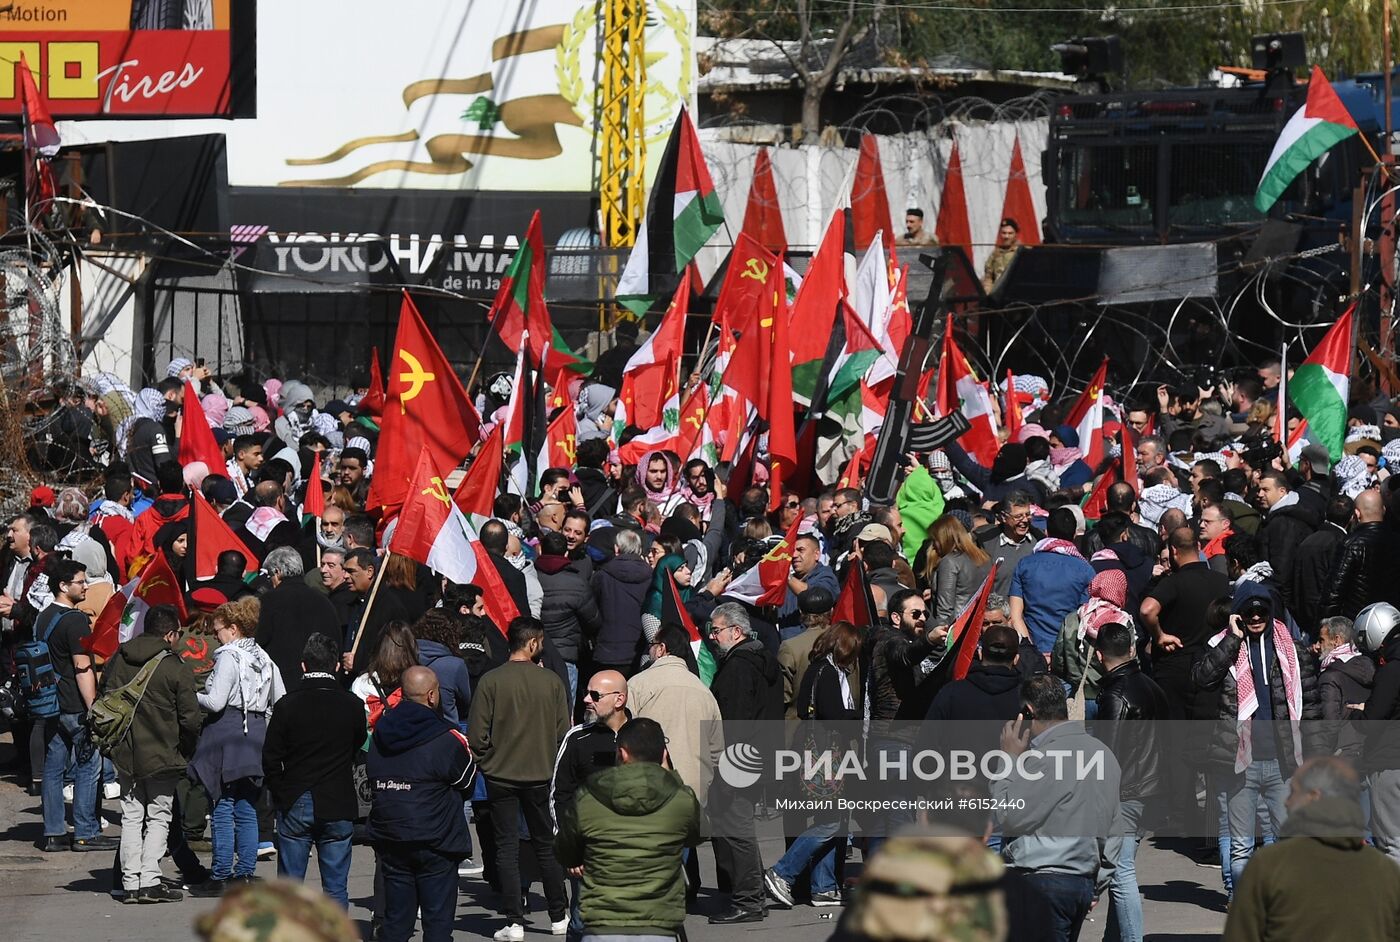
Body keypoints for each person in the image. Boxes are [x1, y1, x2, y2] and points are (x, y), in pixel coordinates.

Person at [1192, 582, 1321, 891]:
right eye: (1248, 611)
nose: (1255, 617)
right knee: (1240, 848)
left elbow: (1312, 708)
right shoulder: (1222, 644)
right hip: (1239, 762)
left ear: (1270, 610)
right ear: (1238, 614)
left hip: (1283, 762)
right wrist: (1233, 640)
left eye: (1261, 610)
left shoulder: (1292, 648)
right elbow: (1202, 678)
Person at [995, 675, 1123, 942]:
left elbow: (1009, 814)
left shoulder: (1041, 760)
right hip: (1079, 882)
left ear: (1028, 712)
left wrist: (1008, 760)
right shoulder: (1103, 755)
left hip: (1041, 879)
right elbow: (1114, 830)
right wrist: (1096, 884)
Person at [466, 617, 571, 941]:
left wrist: (488, 762)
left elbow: (475, 736)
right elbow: (561, 733)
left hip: (501, 776)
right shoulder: (551, 682)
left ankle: (514, 920)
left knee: (506, 848)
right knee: (545, 844)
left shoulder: (491, 681)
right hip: (540, 775)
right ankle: (558, 914)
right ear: (532, 643)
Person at [1223, 756, 1400, 941]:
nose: (1287, 802)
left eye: (1294, 792)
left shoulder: (1270, 866)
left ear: (1314, 796)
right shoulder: (1383, 870)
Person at [554, 717, 701, 939]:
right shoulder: (681, 799)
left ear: (622, 754)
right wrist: (670, 777)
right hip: (659, 924)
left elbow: (565, 851)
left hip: (603, 923)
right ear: (663, 756)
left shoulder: (589, 799)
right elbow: (696, 835)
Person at [366, 666, 477, 942]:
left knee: (396, 923)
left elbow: (372, 774)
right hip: (435, 841)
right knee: (437, 925)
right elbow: (467, 782)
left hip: (392, 836)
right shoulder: (446, 738)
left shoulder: (380, 734)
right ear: (431, 696)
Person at [102, 603, 203, 901]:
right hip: (163, 752)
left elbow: (103, 695)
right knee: (159, 815)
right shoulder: (174, 666)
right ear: (170, 634)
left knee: (132, 816)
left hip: (124, 751)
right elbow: (190, 717)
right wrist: (186, 749)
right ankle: (149, 880)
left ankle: (130, 883)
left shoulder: (118, 657)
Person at [189, 597, 286, 896]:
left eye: (217, 629)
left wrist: (190, 696)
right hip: (256, 732)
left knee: (222, 804)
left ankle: (220, 874)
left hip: (229, 730)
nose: (214, 635)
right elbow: (280, 698)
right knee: (246, 805)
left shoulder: (230, 656)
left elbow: (216, 701)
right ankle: (244, 873)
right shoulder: (264, 656)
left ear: (232, 629)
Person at [261, 632, 366, 907]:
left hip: (296, 795)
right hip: (338, 798)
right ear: (335, 666)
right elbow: (356, 746)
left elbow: (271, 757)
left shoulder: (287, 705)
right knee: (335, 888)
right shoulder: (353, 706)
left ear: (303, 666)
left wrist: (281, 791)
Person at [765, 619, 862, 908]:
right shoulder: (829, 672)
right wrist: (859, 717)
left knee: (831, 818)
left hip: (818, 752)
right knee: (831, 820)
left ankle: (824, 887)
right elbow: (832, 715)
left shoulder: (818, 668)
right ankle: (782, 871)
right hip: (825, 755)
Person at [707, 602, 783, 923]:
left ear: (736, 631)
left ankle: (749, 900)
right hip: (757, 755)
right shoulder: (760, 658)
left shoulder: (739, 666)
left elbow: (736, 720)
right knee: (739, 828)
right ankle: (750, 896)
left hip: (741, 759)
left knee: (737, 829)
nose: (712, 637)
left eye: (717, 630)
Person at [1092, 621, 1168, 942]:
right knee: (1118, 870)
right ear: (1132, 649)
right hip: (1149, 789)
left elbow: (1107, 754)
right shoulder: (1151, 686)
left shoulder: (1115, 696)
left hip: (1126, 793)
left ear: (1098, 655)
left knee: (1120, 872)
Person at [38, 558, 116, 853]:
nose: (86, 586)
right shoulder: (75, 620)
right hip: (73, 703)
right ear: (63, 586)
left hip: (49, 703)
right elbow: (82, 667)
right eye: (81, 581)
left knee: (54, 768)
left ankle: (54, 832)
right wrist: (93, 706)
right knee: (88, 765)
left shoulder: (43, 618)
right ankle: (86, 831)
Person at [627, 623, 724, 838]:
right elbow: (717, 751)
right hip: (693, 792)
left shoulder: (638, 685)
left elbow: (622, 735)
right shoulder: (703, 692)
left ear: (661, 648)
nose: (649, 650)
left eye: (651, 645)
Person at [254, 546, 341, 692]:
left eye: (270, 576)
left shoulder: (269, 601)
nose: (270, 581)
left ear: (277, 572)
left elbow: (259, 641)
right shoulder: (323, 601)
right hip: (321, 684)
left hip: (280, 685)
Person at [1009, 508, 1095, 655]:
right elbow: (1085, 619)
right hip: (1068, 654)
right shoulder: (1086, 570)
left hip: (1032, 651)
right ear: (1074, 534)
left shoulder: (1025, 565)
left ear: (1047, 532)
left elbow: (1015, 617)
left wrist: (1031, 652)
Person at [535, 529, 602, 703]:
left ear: (541, 550)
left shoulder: (528, 577)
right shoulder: (577, 583)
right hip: (565, 657)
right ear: (566, 553)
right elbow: (593, 621)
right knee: (564, 712)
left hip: (533, 654)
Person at [1322, 488, 1400, 620]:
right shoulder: (1396, 540)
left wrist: (1323, 628)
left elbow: (1334, 592)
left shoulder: (1350, 544)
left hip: (1357, 623)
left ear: (1356, 514)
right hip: (1393, 621)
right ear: (1384, 510)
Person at [1254, 470, 1319, 615]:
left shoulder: (1284, 523)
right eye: (1259, 489)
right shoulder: (1278, 518)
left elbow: (1282, 569)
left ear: (1282, 491)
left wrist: (1280, 606)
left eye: (1266, 490)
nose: (1259, 494)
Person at [590, 527, 651, 676]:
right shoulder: (652, 576)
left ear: (617, 549)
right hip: (639, 650)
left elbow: (592, 611)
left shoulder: (602, 576)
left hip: (607, 649)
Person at [917, 513, 992, 626]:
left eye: (935, 540)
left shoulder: (949, 561)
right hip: (978, 623)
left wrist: (942, 635)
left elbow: (945, 608)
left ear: (944, 539)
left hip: (956, 626)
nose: (933, 545)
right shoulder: (983, 558)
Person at [1292, 494, 1351, 634]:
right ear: (1353, 517)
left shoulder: (1308, 540)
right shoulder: (1342, 544)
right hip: (1331, 624)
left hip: (1305, 619)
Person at [1316, 616, 1372, 763]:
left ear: (1337, 640)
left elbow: (1330, 723)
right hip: (1370, 748)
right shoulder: (1369, 666)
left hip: (1342, 753)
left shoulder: (1330, 676)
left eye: (1322, 640)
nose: (1317, 646)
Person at [777, 586, 834, 718]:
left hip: (800, 727)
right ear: (831, 611)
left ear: (801, 612)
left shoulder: (790, 647)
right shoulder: (847, 641)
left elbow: (783, 695)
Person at [413, 610, 472, 729]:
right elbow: (465, 702)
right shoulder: (454, 665)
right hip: (445, 730)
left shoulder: (405, 656)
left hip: (411, 728)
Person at [975, 490, 1040, 597]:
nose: (1024, 520)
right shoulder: (987, 544)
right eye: (1018, 516)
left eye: (1027, 515)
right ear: (1004, 517)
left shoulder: (1038, 544)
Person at [982, 217, 1021, 292]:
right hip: (998, 294)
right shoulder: (996, 253)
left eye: (1010, 233)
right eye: (1004, 233)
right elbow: (988, 276)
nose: (1006, 236)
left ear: (1015, 234)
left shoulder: (1022, 251)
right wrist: (988, 291)